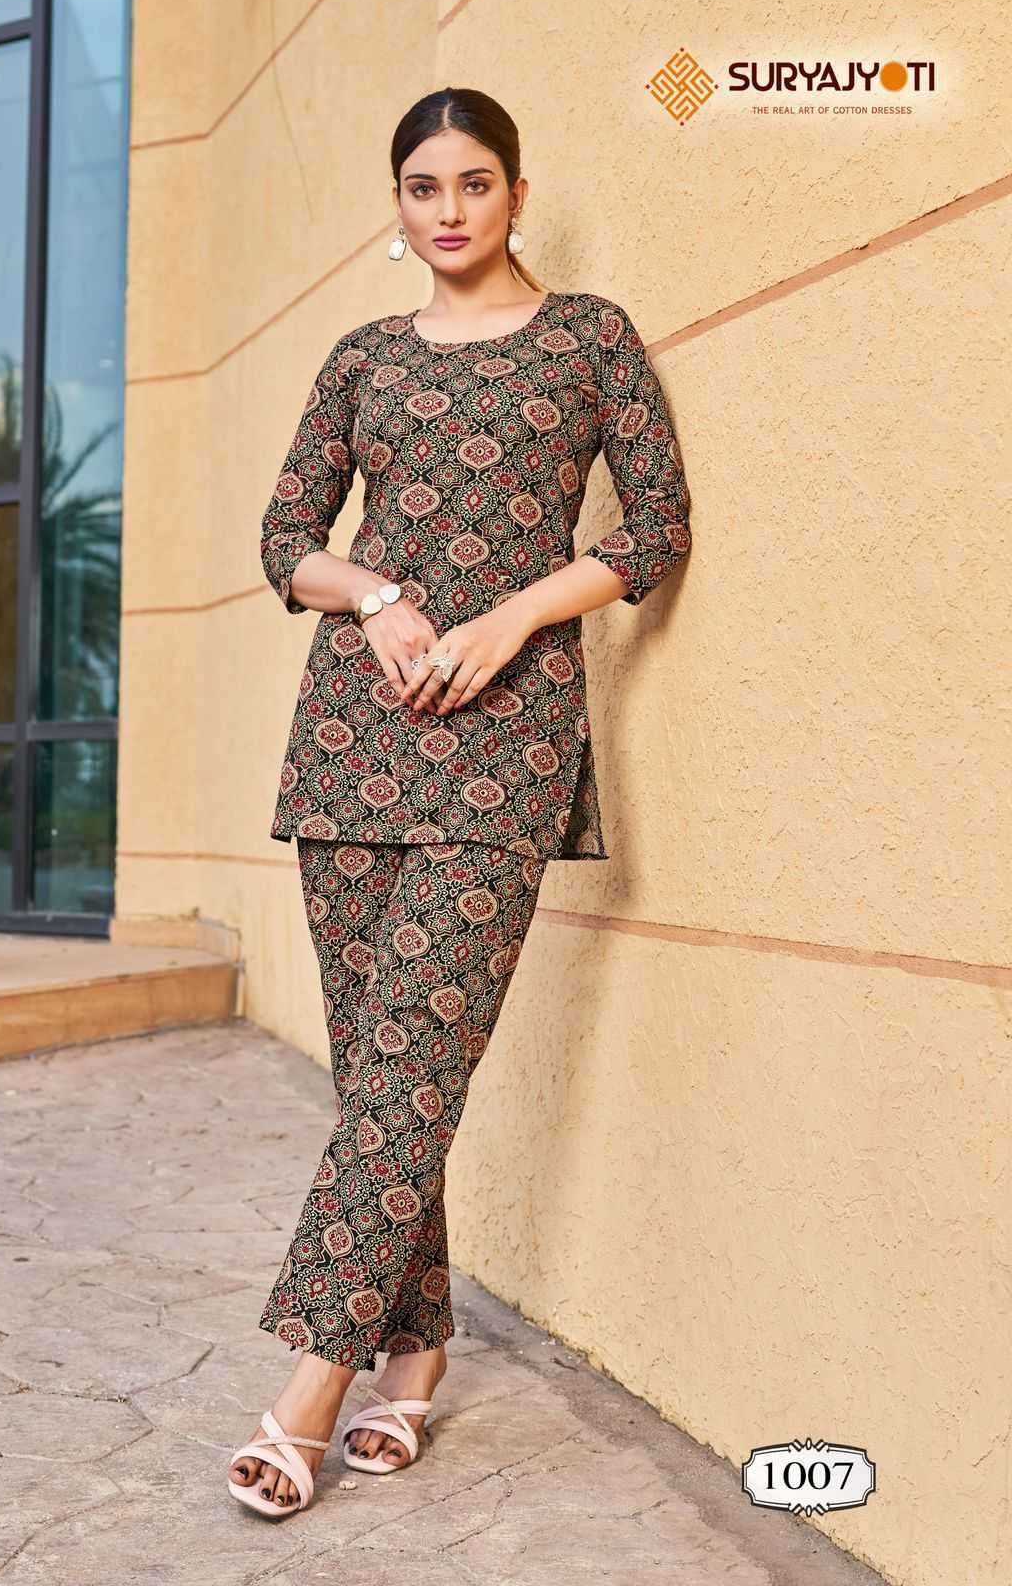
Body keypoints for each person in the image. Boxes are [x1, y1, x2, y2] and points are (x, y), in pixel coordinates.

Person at [228, 85, 692, 1520]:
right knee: (388, 1077)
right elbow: (286, 540)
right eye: (423, 187)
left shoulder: (589, 336)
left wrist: (517, 616)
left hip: (505, 747)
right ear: (399, 203)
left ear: (515, 192)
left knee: (413, 1059)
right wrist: (376, 597)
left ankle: (311, 1385)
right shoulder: (364, 358)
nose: (449, 209)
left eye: (474, 183)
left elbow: (656, 529)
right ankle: (416, 1351)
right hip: (350, 743)